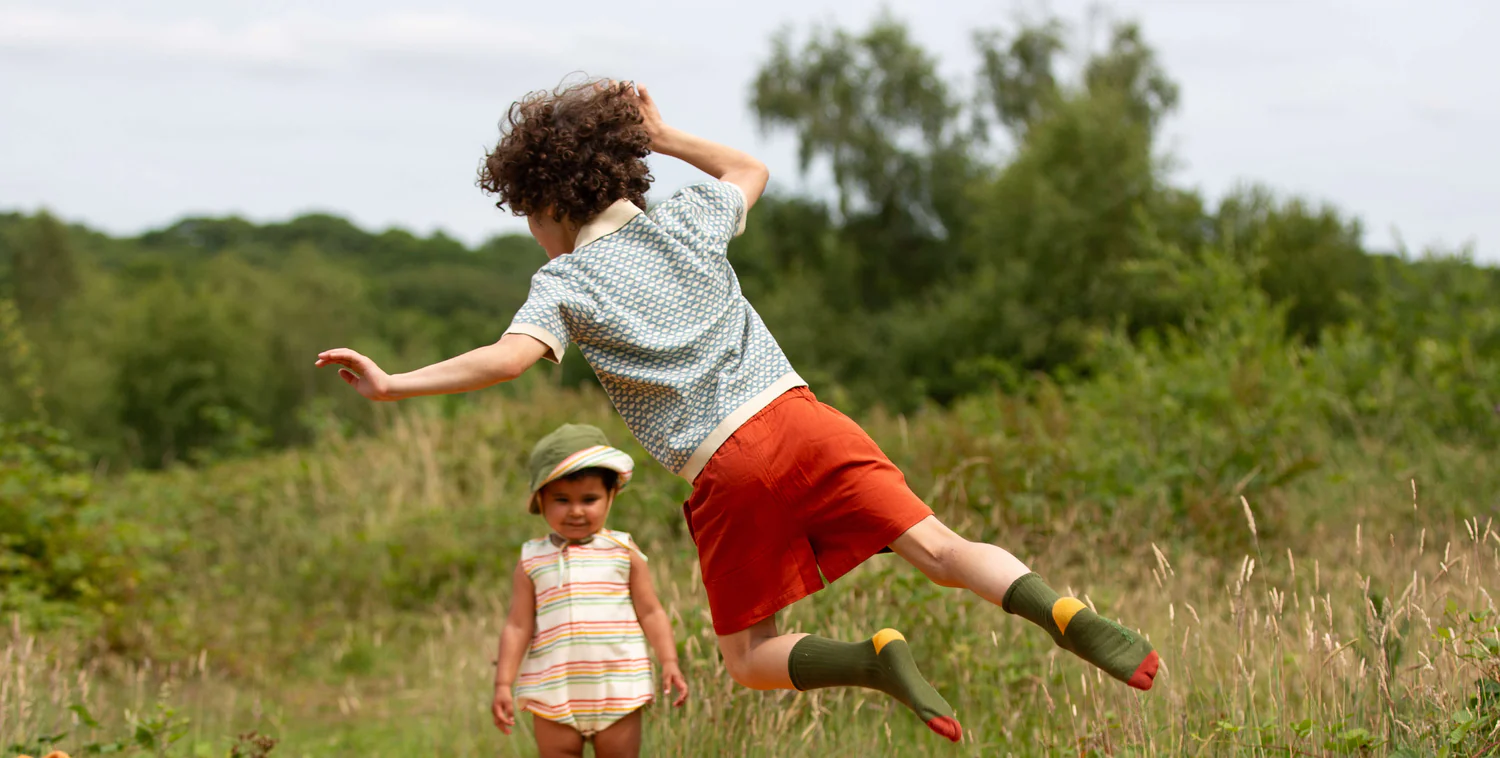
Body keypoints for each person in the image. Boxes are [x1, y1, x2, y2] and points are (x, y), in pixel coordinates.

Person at [316, 77, 1157, 743]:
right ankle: (1060, 609)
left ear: (551, 206)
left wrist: (395, 383)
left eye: (530, 217)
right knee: (940, 549)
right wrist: (662, 134)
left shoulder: (563, 281)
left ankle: (873, 661)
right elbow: (750, 171)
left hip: (726, 464)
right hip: (807, 419)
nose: (533, 234)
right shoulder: (688, 219)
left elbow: (506, 359)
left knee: (750, 659)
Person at [490, 423, 688, 757]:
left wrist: (669, 661)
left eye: (589, 499)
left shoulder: (623, 551)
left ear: (611, 496)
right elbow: (518, 625)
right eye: (562, 500)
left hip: (619, 691)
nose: (576, 511)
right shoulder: (532, 559)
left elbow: (651, 611)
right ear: (541, 499)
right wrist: (502, 683)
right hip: (553, 694)